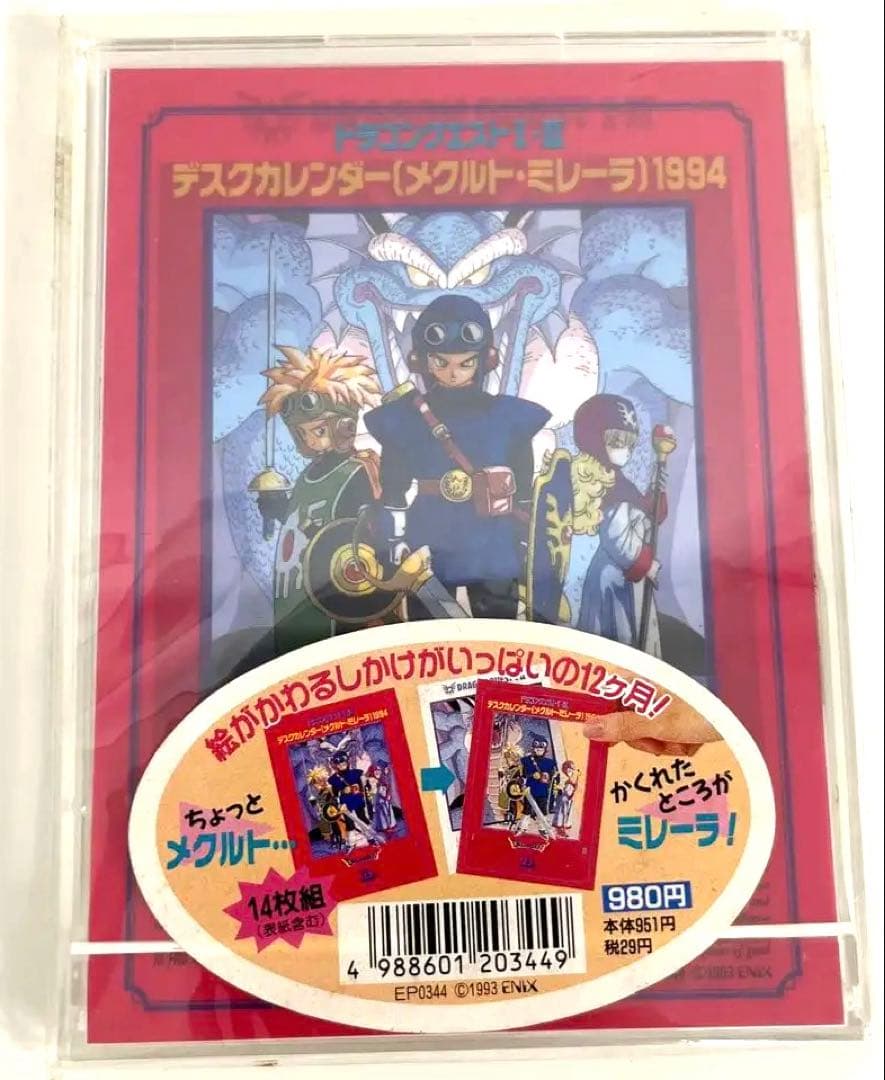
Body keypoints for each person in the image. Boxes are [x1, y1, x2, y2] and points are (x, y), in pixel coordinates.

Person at [364, 295, 550, 619]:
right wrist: (394, 540)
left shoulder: (510, 416)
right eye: (442, 363)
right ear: (424, 360)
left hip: (493, 536)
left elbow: (522, 485)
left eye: (465, 363)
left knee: (499, 632)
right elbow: (394, 486)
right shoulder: (404, 417)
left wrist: (525, 534)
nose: (453, 373)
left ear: (483, 359)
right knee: (429, 634)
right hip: (430, 534)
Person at [252, 346, 382, 652]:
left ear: (344, 426)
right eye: (302, 433)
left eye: (319, 430)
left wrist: (318, 533)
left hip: (335, 606)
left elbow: (362, 539)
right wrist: (279, 509)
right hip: (294, 599)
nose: (310, 440)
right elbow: (302, 520)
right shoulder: (308, 475)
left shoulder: (357, 472)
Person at [572, 394, 674, 655]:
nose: (625, 450)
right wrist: (646, 565)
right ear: (595, 439)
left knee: (631, 636)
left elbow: (647, 517)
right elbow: (617, 538)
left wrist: (656, 487)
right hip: (614, 578)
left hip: (625, 578)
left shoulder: (621, 483)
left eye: (629, 443)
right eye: (617, 441)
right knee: (619, 637)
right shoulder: (606, 487)